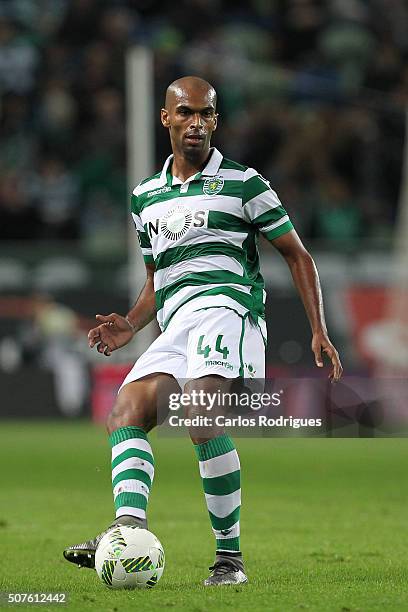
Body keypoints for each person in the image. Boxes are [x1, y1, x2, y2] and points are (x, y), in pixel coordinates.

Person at [63, 76, 342, 586]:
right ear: (166, 118)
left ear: (217, 120)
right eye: (187, 112)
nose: (197, 123)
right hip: (177, 323)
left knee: (199, 410)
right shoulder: (145, 197)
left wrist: (317, 329)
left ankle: (229, 560)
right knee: (125, 411)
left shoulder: (245, 183)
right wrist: (130, 322)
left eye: (207, 114)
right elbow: (157, 281)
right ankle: (127, 533)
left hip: (229, 311)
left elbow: (297, 255)